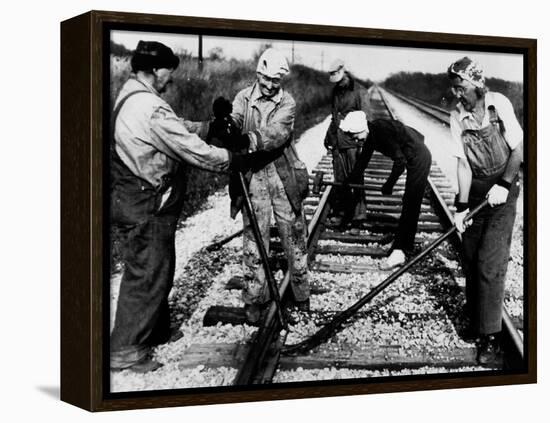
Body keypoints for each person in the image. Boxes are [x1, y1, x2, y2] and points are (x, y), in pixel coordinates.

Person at [110, 41, 251, 373]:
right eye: (168, 73)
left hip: (131, 193)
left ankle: (153, 330)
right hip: (146, 199)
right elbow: (189, 148)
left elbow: (171, 127)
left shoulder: (131, 94)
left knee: (157, 263)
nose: (170, 80)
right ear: (157, 70)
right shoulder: (149, 106)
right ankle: (125, 349)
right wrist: (233, 160)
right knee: (147, 271)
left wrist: (205, 127)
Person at [447, 57, 523, 364]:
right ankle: (475, 311)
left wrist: (504, 184)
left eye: (460, 88)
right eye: (453, 88)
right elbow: (463, 163)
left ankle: (488, 335)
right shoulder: (457, 116)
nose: (456, 94)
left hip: (503, 189)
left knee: (489, 262)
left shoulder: (498, 105)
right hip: (477, 189)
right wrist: (461, 207)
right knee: (469, 253)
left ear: (476, 85)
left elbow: (519, 149)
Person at [229, 48, 310, 323]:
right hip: (253, 174)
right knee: (254, 236)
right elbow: (236, 119)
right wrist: (227, 125)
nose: (270, 85)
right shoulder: (242, 97)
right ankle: (254, 298)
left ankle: (301, 293)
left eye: (276, 80)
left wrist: (248, 140)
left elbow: (277, 132)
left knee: (294, 233)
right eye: (266, 78)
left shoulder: (287, 102)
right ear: (258, 74)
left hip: (282, 172)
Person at [339, 110, 432, 270]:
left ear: (361, 128)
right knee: (409, 202)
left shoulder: (380, 132)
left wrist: (389, 185)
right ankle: (402, 244)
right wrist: (348, 182)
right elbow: (362, 162)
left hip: (418, 157)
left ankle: (401, 251)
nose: (354, 139)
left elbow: (400, 162)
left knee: (411, 203)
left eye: (355, 135)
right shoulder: (371, 133)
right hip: (412, 153)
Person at [323, 59, 370, 227]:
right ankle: (342, 213)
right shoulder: (335, 92)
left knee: (356, 180)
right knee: (340, 180)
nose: (338, 82)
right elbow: (334, 116)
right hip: (338, 143)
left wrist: (362, 144)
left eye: (339, 77)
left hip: (353, 144)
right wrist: (328, 136)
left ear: (345, 73)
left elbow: (367, 119)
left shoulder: (360, 92)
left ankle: (359, 217)